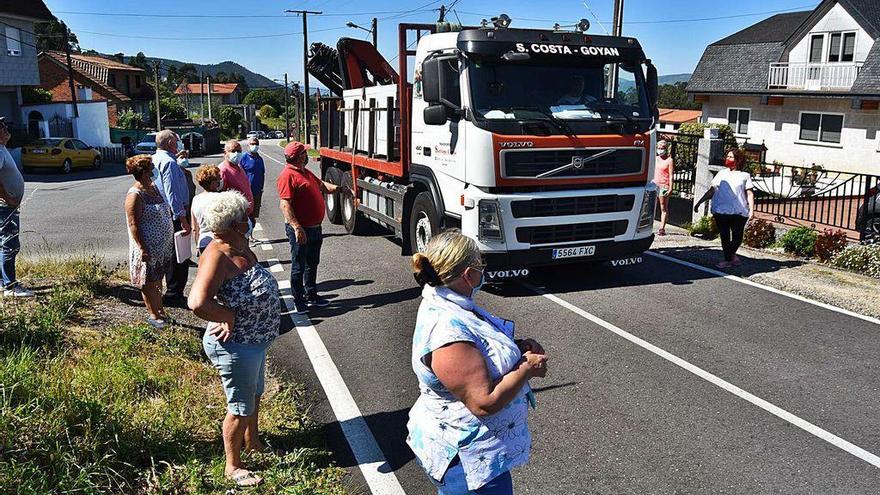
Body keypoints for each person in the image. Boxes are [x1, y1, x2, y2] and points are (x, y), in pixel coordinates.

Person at [407, 230, 548, 494]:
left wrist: (517, 350)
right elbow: (484, 401)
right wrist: (526, 368)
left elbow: (477, 352)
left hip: (475, 456)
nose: (484, 269)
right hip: (467, 463)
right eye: (480, 264)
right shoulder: (447, 331)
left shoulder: (450, 303)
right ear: (468, 275)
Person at [188, 190, 281, 488]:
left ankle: (252, 442)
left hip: (254, 341)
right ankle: (233, 465)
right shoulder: (217, 254)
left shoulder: (240, 243)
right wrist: (227, 316)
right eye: (246, 217)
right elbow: (197, 303)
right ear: (236, 224)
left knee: (253, 395)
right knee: (239, 406)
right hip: (236, 345)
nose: (250, 220)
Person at [277, 141, 342, 313]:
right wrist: (297, 227)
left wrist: (341, 189)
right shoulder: (287, 175)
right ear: (299, 157)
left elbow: (322, 186)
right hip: (301, 229)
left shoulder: (306, 172)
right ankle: (299, 301)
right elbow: (285, 205)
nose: (307, 155)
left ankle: (311, 295)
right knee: (299, 265)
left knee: (312, 263)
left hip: (314, 227)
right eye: (304, 153)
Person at [124, 154, 174, 328]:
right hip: (148, 247)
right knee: (148, 281)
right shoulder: (135, 195)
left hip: (162, 247)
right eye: (152, 167)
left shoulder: (153, 188)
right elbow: (133, 224)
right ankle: (154, 314)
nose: (155, 170)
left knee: (158, 279)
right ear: (144, 171)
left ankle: (160, 311)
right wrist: (142, 248)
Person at [694, 148, 755, 269]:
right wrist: (700, 202)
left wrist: (752, 210)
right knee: (725, 235)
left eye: (731, 157)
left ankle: (731, 255)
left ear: (738, 159)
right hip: (721, 210)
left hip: (739, 210)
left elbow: (750, 194)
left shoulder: (745, 176)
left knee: (737, 236)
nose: (728, 159)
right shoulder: (722, 173)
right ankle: (728, 259)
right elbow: (712, 190)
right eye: (727, 157)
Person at [152, 129, 191, 307]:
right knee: (179, 256)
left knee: (169, 252)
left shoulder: (154, 159)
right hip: (173, 214)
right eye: (177, 141)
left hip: (160, 212)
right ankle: (174, 294)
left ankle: (171, 291)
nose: (179, 144)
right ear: (170, 143)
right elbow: (172, 193)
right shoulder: (169, 162)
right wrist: (182, 218)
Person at [0, 119, 33, 297]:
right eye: (2, 128)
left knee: (3, 243)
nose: (5, 129)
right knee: (9, 244)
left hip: (6, 206)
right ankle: (10, 286)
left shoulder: (2, 149)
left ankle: (2, 282)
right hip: (4, 207)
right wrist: (7, 197)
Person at [191, 164, 223, 253]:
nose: (220, 180)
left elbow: (195, 228)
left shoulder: (196, 199)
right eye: (218, 179)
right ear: (213, 183)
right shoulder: (221, 198)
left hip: (203, 243)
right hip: (219, 242)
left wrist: (198, 245)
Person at [219, 140, 254, 217]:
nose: (236, 154)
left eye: (239, 151)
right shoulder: (223, 170)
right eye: (233, 151)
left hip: (245, 213)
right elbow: (219, 196)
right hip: (234, 216)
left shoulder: (239, 167)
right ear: (225, 153)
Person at [240, 136, 265, 225]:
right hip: (246, 191)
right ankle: (247, 235)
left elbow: (262, 174)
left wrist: (261, 188)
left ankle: (251, 234)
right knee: (245, 213)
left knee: (254, 214)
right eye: (252, 144)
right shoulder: (243, 158)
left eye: (256, 144)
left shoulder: (260, 159)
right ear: (248, 145)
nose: (254, 146)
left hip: (257, 191)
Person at [654, 140, 674, 236]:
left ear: (666, 149)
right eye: (659, 148)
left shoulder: (669, 160)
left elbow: (671, 175)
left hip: (664, 185)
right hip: (654, 185)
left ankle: (662, 228)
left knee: (663, 207)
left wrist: (670, 187)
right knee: (651, 207)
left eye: (662, 148)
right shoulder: (656, 158)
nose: (660, 150)